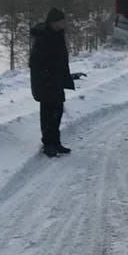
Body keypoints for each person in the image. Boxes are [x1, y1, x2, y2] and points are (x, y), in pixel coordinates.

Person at [30, 8, 77, 157]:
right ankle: (48, 144)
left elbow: (61, 58)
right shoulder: (44, 37)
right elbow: (35, 61)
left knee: (57, 112)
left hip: (56, 80)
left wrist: (65, 76)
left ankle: (56, 142)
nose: (64, 23)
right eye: (61, 21)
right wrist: (47, 74)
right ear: (53, 22)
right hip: (46, 82)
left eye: (64, 21)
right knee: (48, 114)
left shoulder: (58, 34)